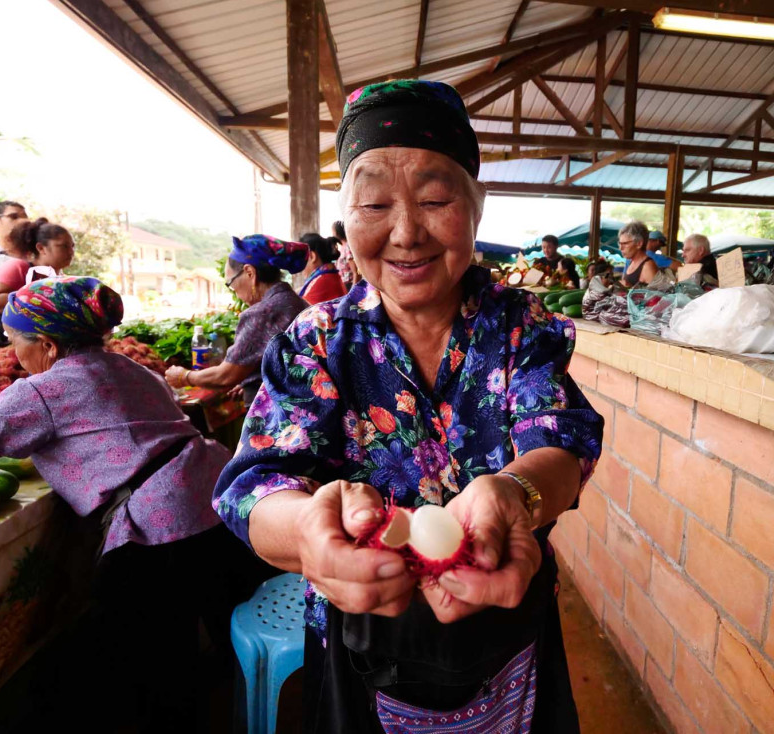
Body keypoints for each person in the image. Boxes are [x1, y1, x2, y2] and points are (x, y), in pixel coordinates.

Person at [212, 79, 604, 734]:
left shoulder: (518, 324)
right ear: (348, 220)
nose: (405, 233)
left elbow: (558, 441)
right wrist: (311, 529)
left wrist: (515, 493)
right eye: (373, 205)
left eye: (435, 199)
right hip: (358, 629)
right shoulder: (316, 340)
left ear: (474, 210)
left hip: (506, 621)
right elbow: (254, 488)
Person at [0, 277, 273, 731]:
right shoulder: (129, 367)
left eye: (14, 342)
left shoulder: (42, 391)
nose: (14, 354)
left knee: (152, 666)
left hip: (160, 526)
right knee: (222, 638)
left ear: (47, 345)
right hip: (217, 501)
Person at [165, 234, 310, 404]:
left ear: (250, 273)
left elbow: (225, 376)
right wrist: (253, 379)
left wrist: (184, 376)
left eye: (230, 283)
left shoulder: (262, 313)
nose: (233, 290)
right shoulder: (297, 302)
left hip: (279, 414)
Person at [0, 218, 75, 314]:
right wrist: (41, 299)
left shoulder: (60, 279)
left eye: (72, 246)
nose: (71, 252)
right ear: (41, 248)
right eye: (64, 246)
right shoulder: (19, 267)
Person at [299, 232, 347, 304]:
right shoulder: (330, 275)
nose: (300, 267)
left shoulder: (322, 281)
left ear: (312, 256)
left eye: (301, 258)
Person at [619, 220, 659, 287]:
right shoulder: (631, 262)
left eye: (625, 243)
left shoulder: (648, 266)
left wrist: (628, 289)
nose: (621, 248)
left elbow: (656, 296)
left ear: (639, 244)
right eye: (620, 244)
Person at [332, 220, 359, 289]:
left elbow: (355, 271)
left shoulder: (347, 247)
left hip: (349, 284)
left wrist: (353, 288)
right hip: (344, 284)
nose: (332, 234)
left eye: (333, 231)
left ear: (338, 232)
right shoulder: (343, 247)